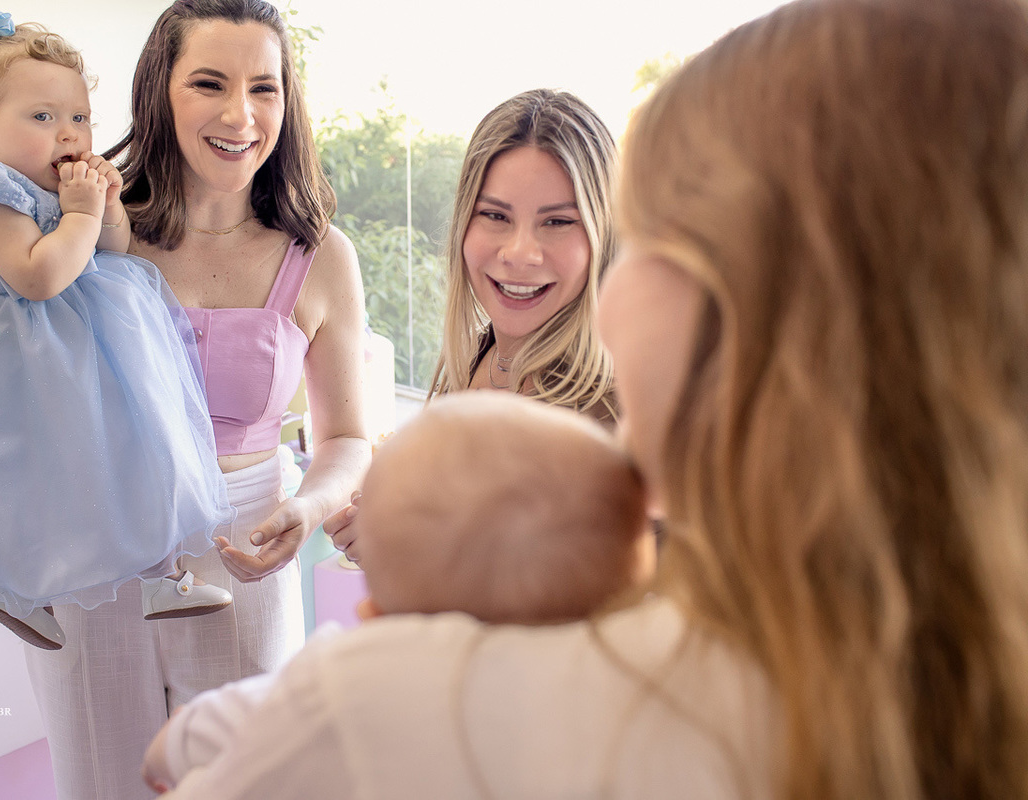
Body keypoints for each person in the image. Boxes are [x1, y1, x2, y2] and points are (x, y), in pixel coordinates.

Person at [150, 0, 1028, 796]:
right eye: (493, 216)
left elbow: (191, 758)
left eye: (653, 239)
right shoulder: (482, 368)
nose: (522, 254)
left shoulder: (399, 692)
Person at [22, 2, 370, 797]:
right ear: (160, 91)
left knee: (241, 780)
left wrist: (308, 508)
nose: (240, 114)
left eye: (265, 88)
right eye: (208, 82)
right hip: (91, 552)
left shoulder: (321, 256)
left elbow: (348, 436)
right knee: (99, 779)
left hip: (246, 554)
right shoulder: (92, 230)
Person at [0, 7, 235, 653]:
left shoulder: (67, 182)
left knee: (135, 449)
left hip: (83, 353)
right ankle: (21, 593)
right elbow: (37, 277)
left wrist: (101, 206)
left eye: (79, 117)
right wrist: (77, 212)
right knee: (31, 477)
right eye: (43, 117)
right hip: (13, 360)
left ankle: (161, 573)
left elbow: (115, 249)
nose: (69, 134)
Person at [140, 391, 654, 793]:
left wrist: (183, 735)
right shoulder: (623, 709)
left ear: (374, 610)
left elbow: (175, 751)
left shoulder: (343, 683)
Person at [327, 89, 621, 564]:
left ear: (601, 236)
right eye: (496, 215)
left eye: (558, 222)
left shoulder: (611, 417)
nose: (520, 253)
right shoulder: (479, 358)